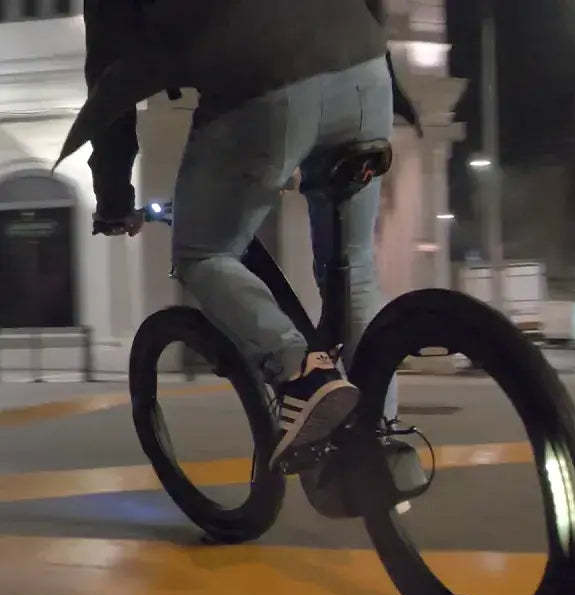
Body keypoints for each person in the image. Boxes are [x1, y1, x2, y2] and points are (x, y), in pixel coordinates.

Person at [60, 0, 419, 470]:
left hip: (262, 76)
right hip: (366, 71)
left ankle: (302, 374)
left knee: (203, 253)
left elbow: (111, 88)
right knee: (353, 268)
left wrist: (112, 202)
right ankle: (380, 442)